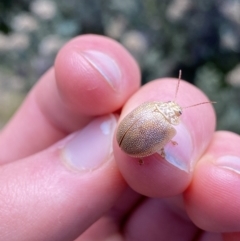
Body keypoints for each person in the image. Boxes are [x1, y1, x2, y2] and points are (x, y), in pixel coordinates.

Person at [0, 34, 239, 241]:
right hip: (130, 144)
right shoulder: (168, 129)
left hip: (130, 141)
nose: (174, 106)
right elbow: (157, 141)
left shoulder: (159, 115)